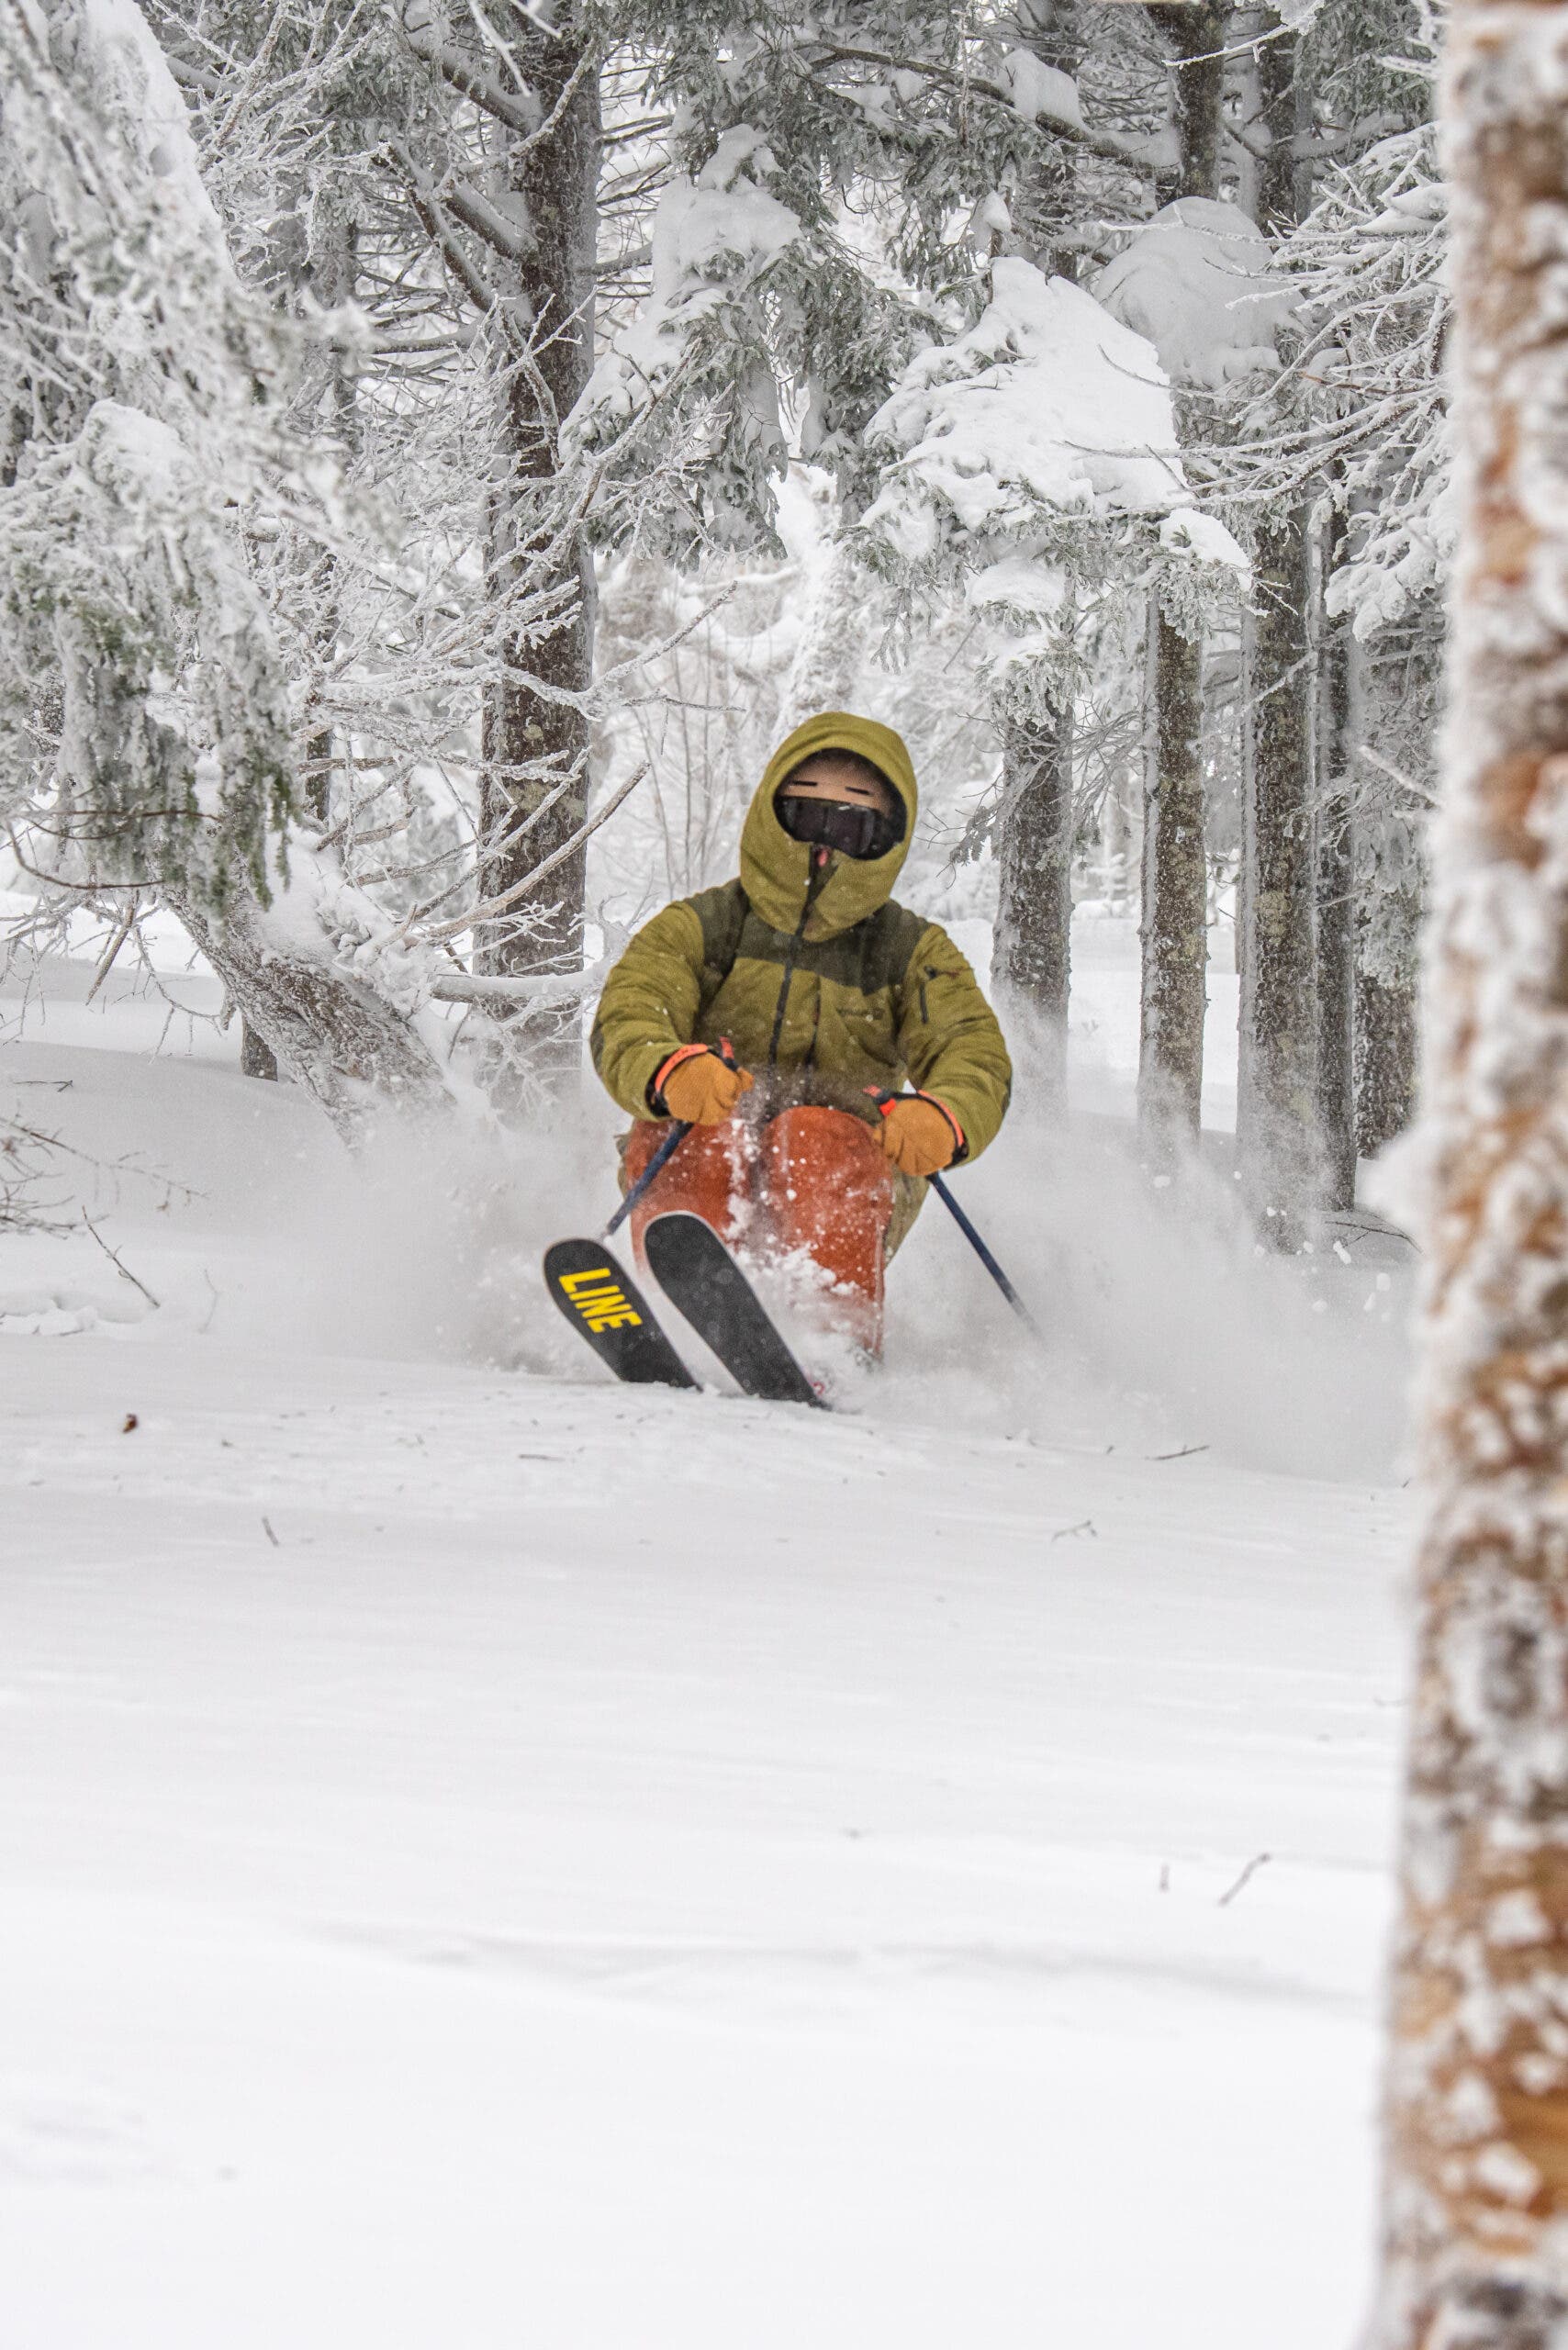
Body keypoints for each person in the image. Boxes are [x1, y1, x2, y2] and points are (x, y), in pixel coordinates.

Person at [590, 711, 1012, 1354]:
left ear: (884, 839)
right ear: (773, 814)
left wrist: (946, 1117)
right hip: (709, 1142)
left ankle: (834, 1344)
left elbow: (970, 1050)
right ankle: (684, 1310)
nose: (825, 845)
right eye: (807, 817)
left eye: (851, 827)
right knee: (694, 1134)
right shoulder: (703, 925)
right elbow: (632, 1008)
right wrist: (668, 1069)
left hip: (847, 1175)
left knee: (815, 1138)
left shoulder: (912, 952)